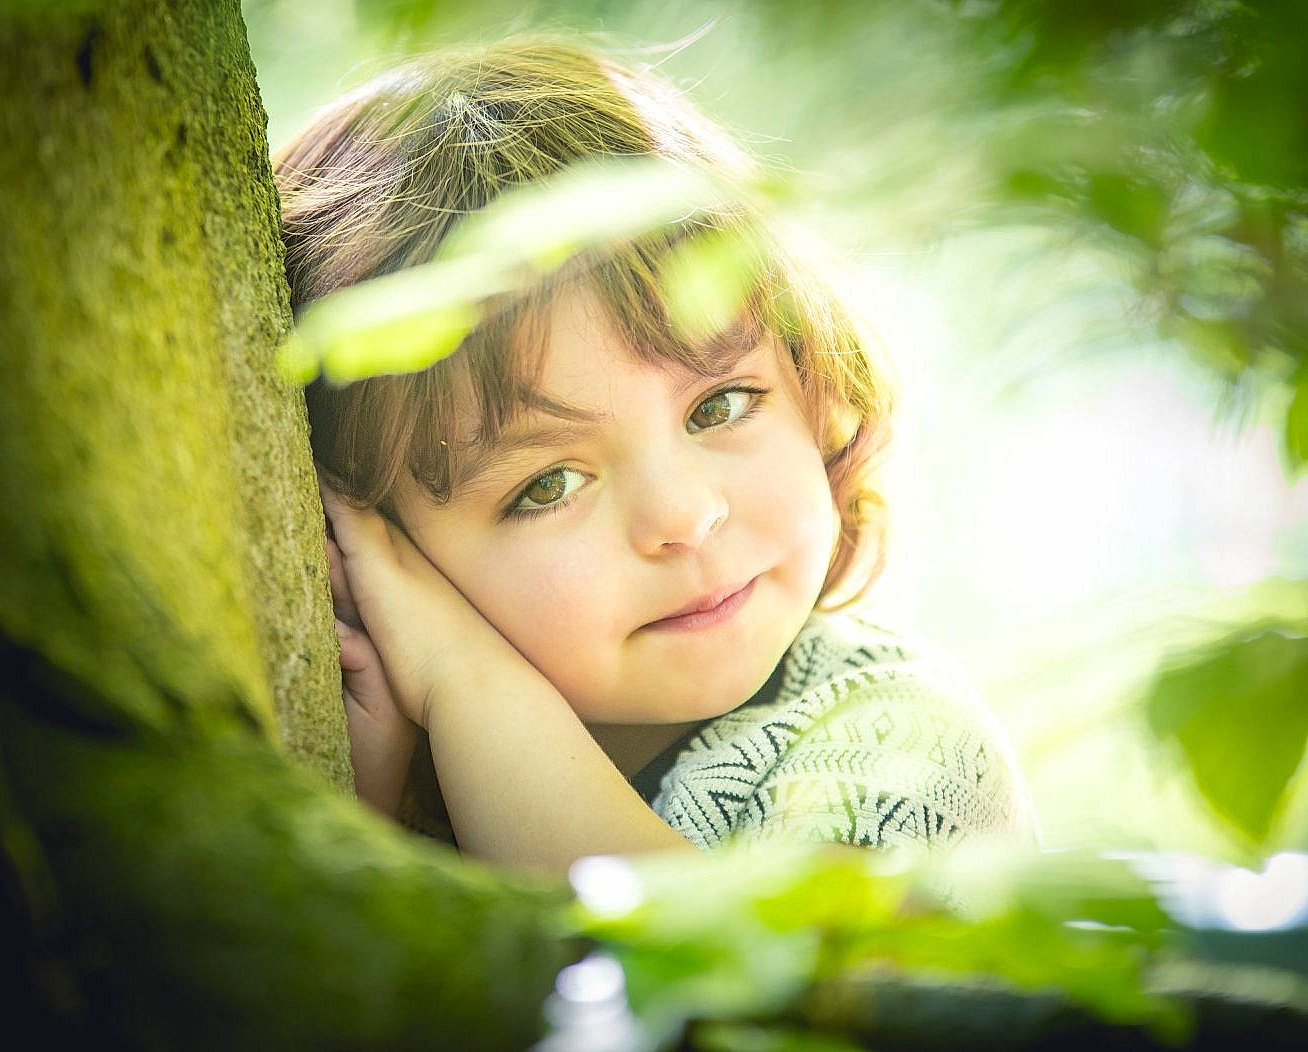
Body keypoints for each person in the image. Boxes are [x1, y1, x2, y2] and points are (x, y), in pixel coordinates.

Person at [273, 36, 1037, 875]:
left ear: (813, 380)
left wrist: (467, 680)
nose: (684, 515)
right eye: (548, 485)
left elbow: (715, 969)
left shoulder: (895, 738)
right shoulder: (376, 772)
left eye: (720, 405)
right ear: (377, 559)